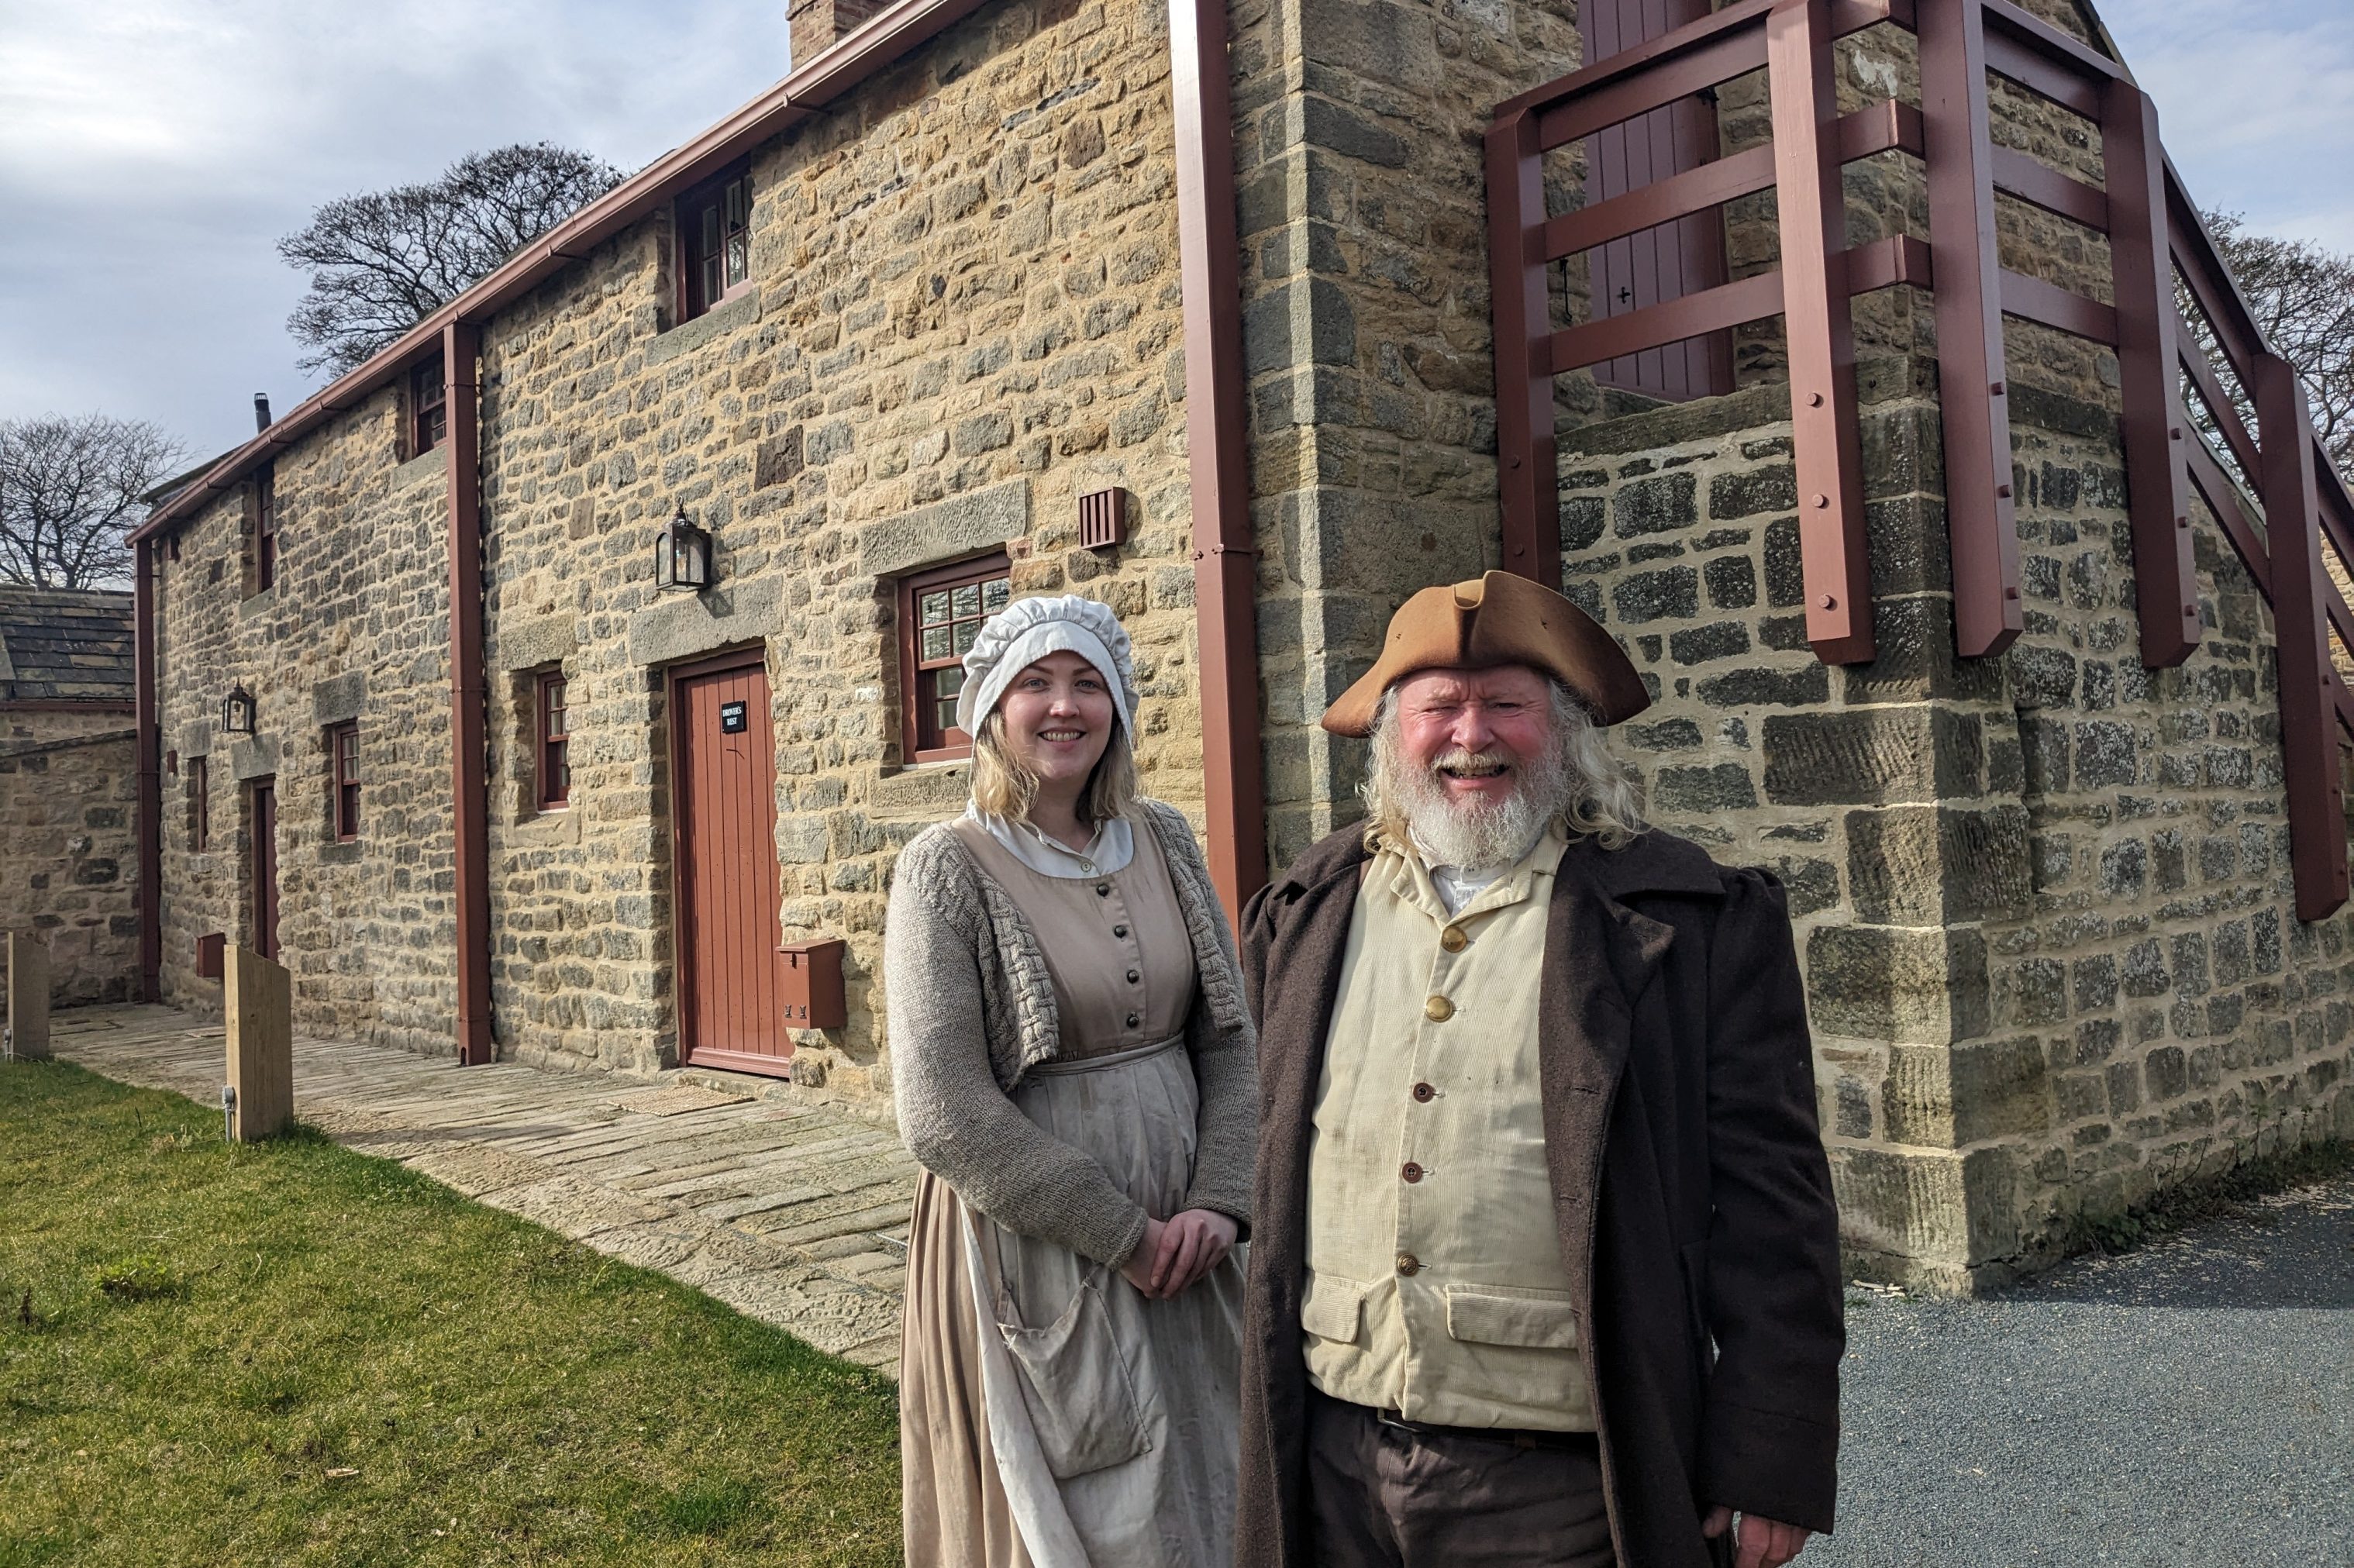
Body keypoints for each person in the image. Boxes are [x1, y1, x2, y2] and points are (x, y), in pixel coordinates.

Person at [1234, 571, 1842, 1568]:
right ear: (1394, 735)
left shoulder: (1692, 920)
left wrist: (1767, 1454)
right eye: (1438, 707)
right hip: (1331, 1458)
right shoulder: (1303, 912)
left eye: (1506, 705)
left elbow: (1776, 1207)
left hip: (1561, 1478)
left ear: (1565, 731)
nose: (1470, 734)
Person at [887, 592, 1258, 1567]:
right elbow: (945, 1113)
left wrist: (1222, 1200)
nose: (1064, 707)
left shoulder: (1168, 840)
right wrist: (1121, 1235)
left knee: (1219, 1472)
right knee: (1086, 1488)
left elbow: (1228, 1040)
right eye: (1036, 684)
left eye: (1087, 683)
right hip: (1040, 1239)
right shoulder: (946, 869)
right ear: (991, 710)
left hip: (1194, 1223)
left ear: (1119, 708)